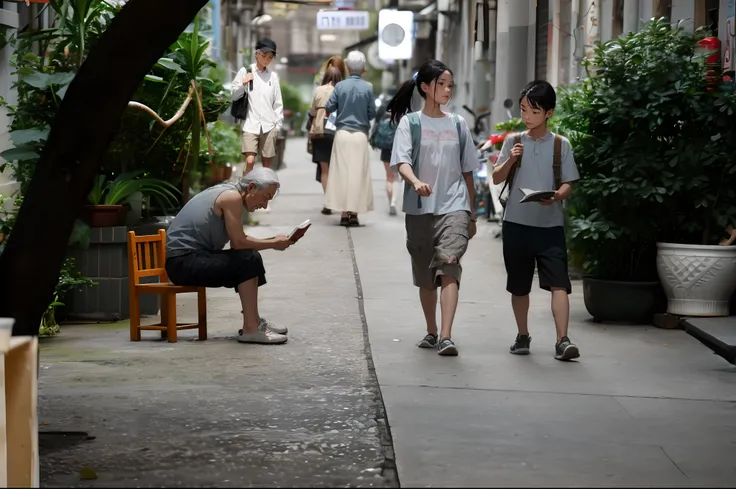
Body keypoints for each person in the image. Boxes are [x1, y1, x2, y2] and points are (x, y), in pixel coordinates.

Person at [387, 59, 479, 356]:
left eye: (451, 85)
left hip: (454, 205)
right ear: (426, 87)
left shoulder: (458, 123)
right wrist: (415, 182)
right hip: (420, 209)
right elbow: (401, 162)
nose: (448, 90)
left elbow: (468, 171)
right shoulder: (410, 123)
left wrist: (472, 213)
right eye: (442, 84)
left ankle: (447, 336)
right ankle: (431, 330)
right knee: (426, 277)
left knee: (449, 267)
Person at [491, 80, 581, 361]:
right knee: (519, 285)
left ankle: (562, 340)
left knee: (559, 284)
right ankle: (522, 335)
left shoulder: (560, 145)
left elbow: (569, 183)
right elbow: (496, 177)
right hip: (516, 224)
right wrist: (510, 160)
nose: (526, 116)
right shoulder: (512, 141)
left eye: (533, 111)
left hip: (550, 226)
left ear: (549, 113)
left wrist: (555, 196)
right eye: (523, 110)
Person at [165, 168, 292, 345]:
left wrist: (273, 242)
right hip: (182, 262)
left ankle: (253, 322)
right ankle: (251, 328)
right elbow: (239, 243)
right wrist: (273, 243)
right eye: (265, 197)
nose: (264, 205)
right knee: (247, 259)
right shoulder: (231, 197)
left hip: (192, 257)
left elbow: (238, 244)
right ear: (252, 188)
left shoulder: (231, 194)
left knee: (250, 257)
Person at [324, 50, 376, 227]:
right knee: (358, 174)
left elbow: (329, 107)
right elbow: (372, 113)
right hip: (360, 135)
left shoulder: (340, 87)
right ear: (363, 69)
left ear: (347, 67)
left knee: (342, 173)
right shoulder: (368, 87)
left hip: (342, 134)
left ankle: (344, 213)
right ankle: (354, 213)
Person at [230, 38, 284, 176]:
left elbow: (277, 103)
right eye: (264, 56)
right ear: (257, 54)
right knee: (250, 161)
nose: (267, 59)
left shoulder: (273, 77)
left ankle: (263, 196)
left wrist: (277, 126)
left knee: (267, 165)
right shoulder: (245, 71)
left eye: (270, 57)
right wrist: (243, 83)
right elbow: (234, 96)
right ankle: (245, 189)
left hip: (269, 126)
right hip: (250, 125)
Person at [308, 66, 343, 215]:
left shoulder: (319, 90)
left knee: (325, 170)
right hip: (338, 132)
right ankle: (341, 202)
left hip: (321, 132)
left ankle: (328, 202)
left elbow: (312, 111)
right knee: (339, 169)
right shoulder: (342, 90)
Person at [369, 91, 399, 216]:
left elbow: (375, 125)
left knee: (388, 177)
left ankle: (389, 201)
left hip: (385, 148)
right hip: (398, 147)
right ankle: (393, 202)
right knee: (396, 176)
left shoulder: (382, 108)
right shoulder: (402, 109)